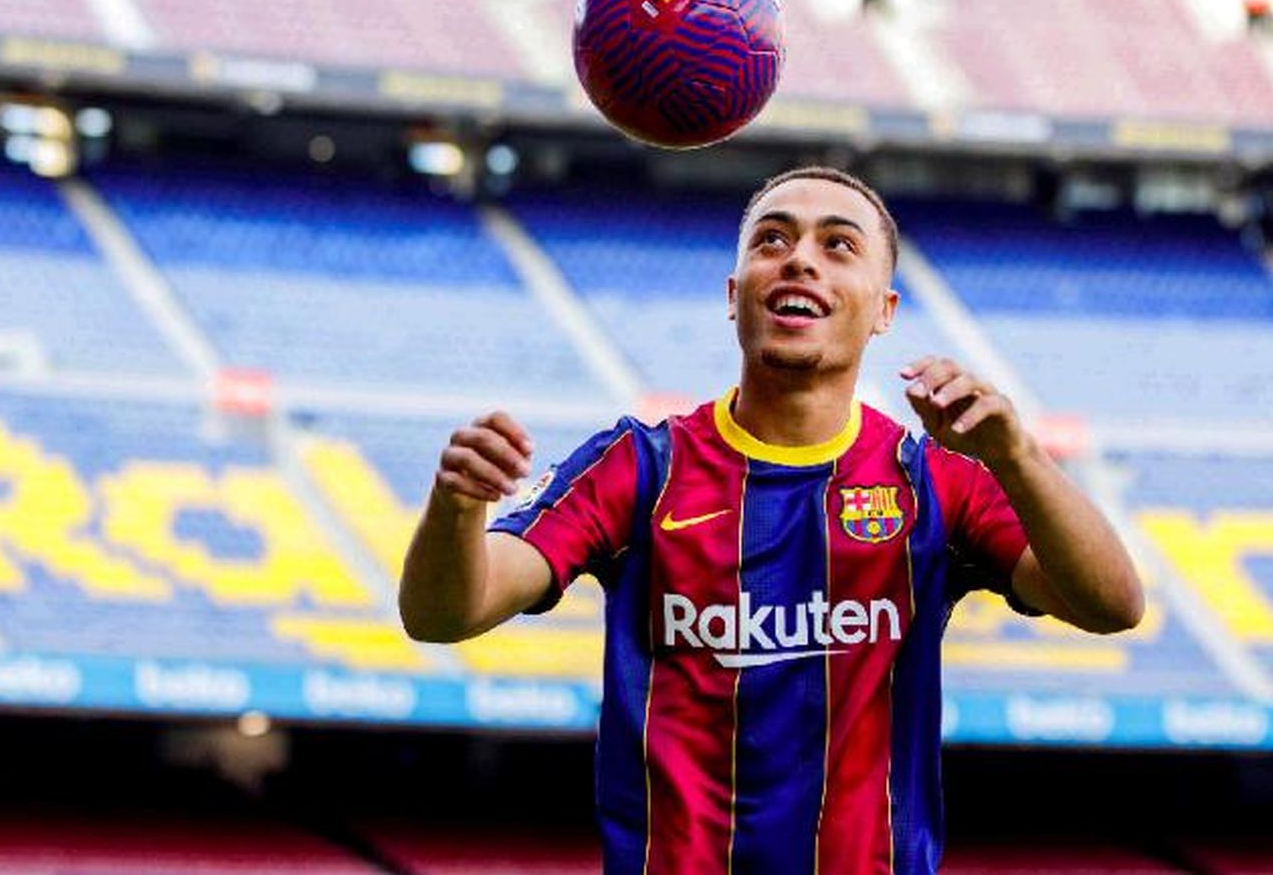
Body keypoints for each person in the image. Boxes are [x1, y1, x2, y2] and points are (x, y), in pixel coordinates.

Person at [399, 167, 1144, 875]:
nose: (800, 260)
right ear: (734, 295)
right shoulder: (636, 466)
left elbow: (1113, 605)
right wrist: (456, 506)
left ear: (884, 310)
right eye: (772, 239)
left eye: (838, 244)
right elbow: (443, 614)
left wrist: (1016, 456)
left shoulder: (935, 481)